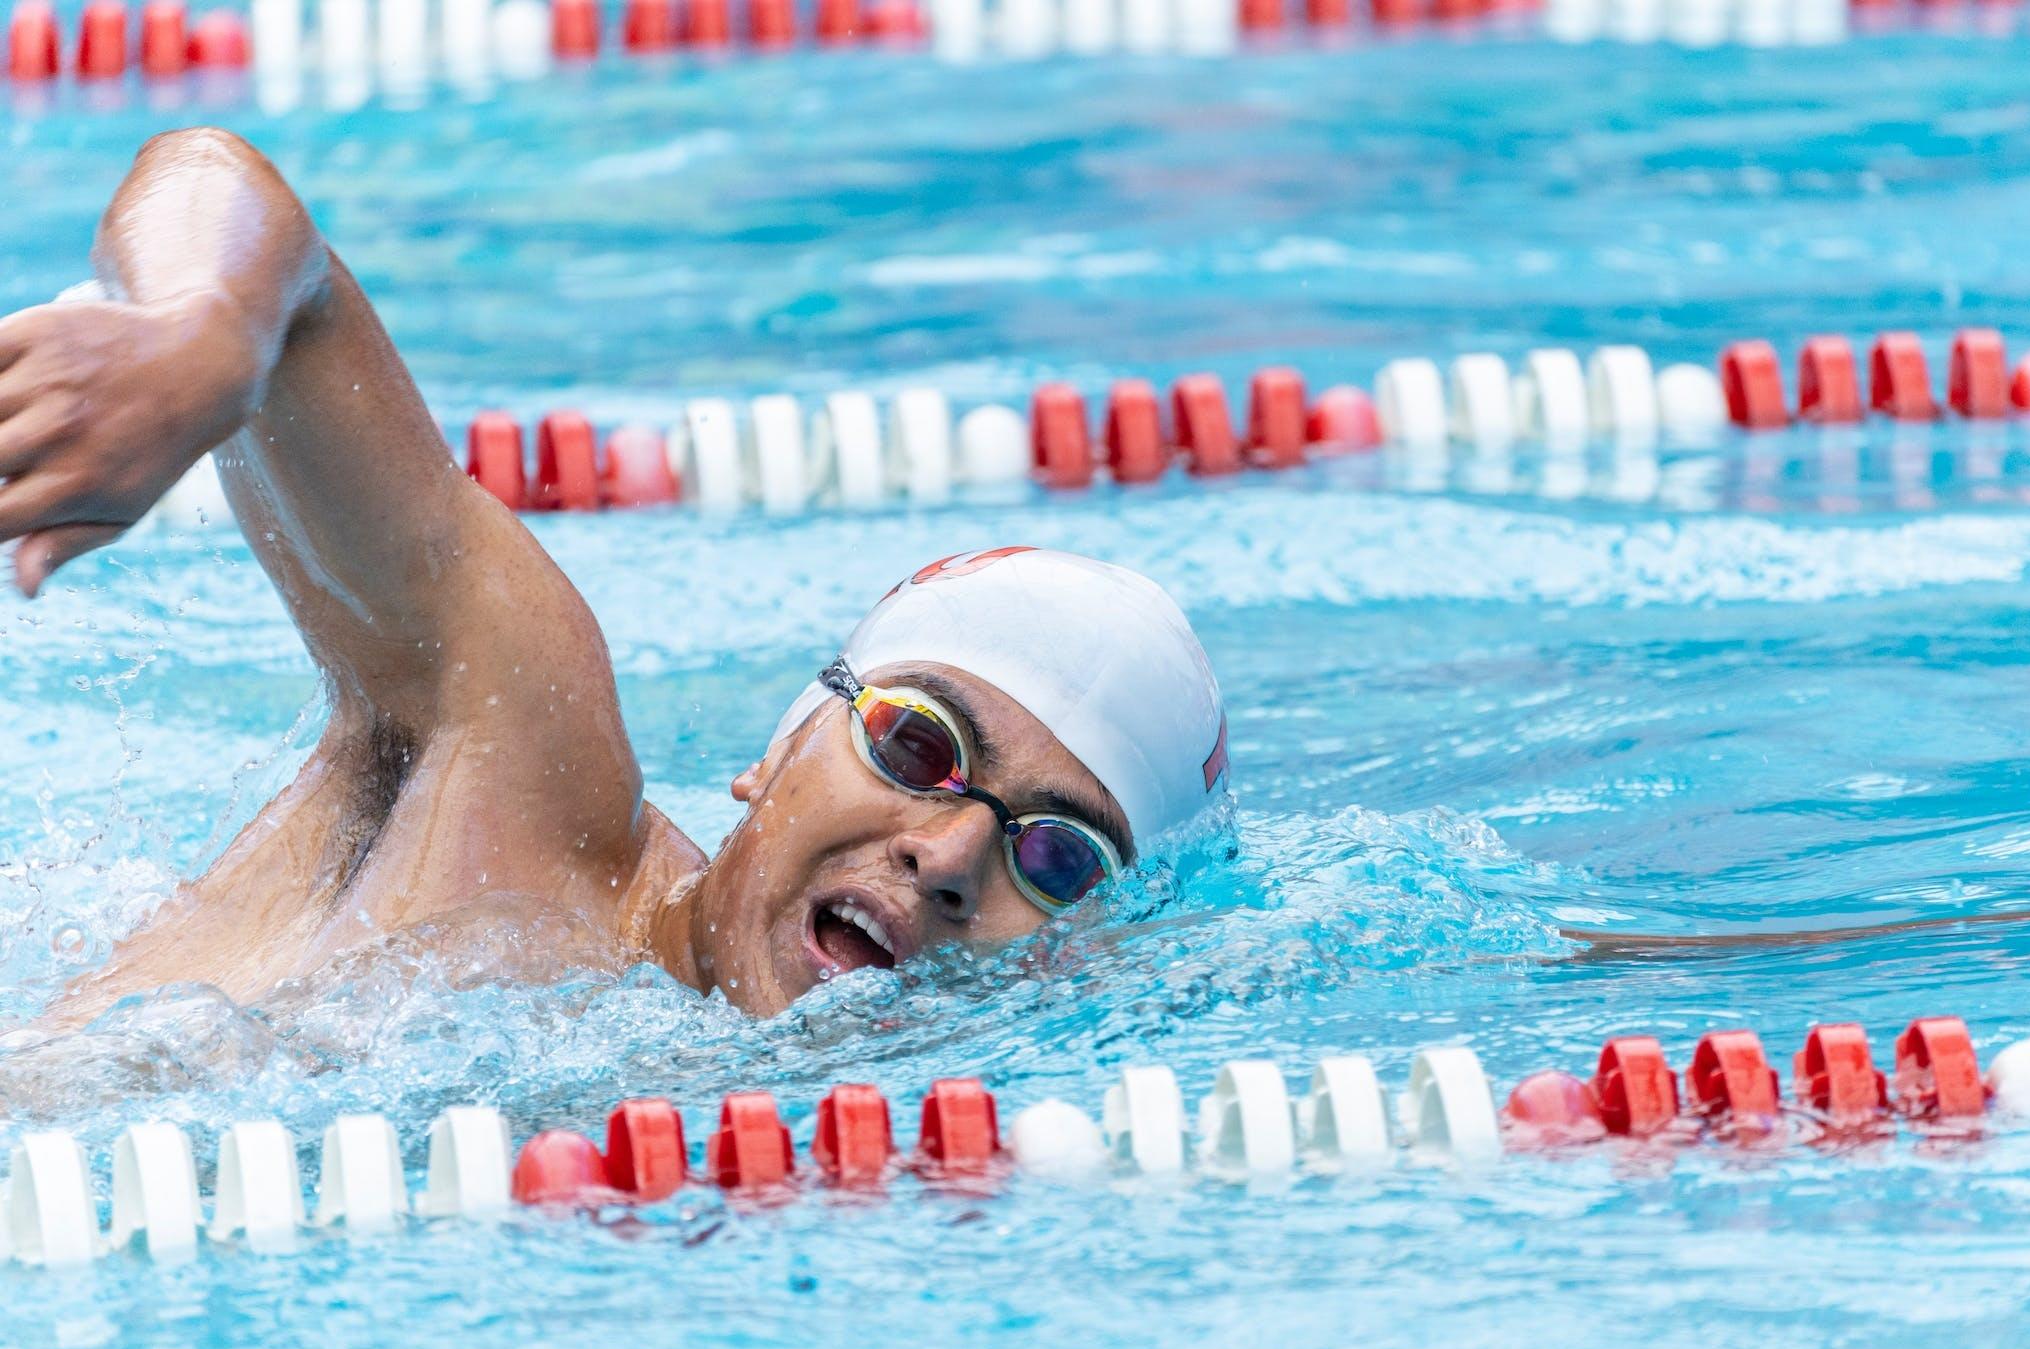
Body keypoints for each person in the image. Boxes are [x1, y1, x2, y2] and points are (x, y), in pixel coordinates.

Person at [0, 129, 1229, 1028]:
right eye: (916, 742)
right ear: (779, 751)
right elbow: (231, 188)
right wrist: (206, 338)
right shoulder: (534, 786)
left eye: (1058, 856)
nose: (952, 854)